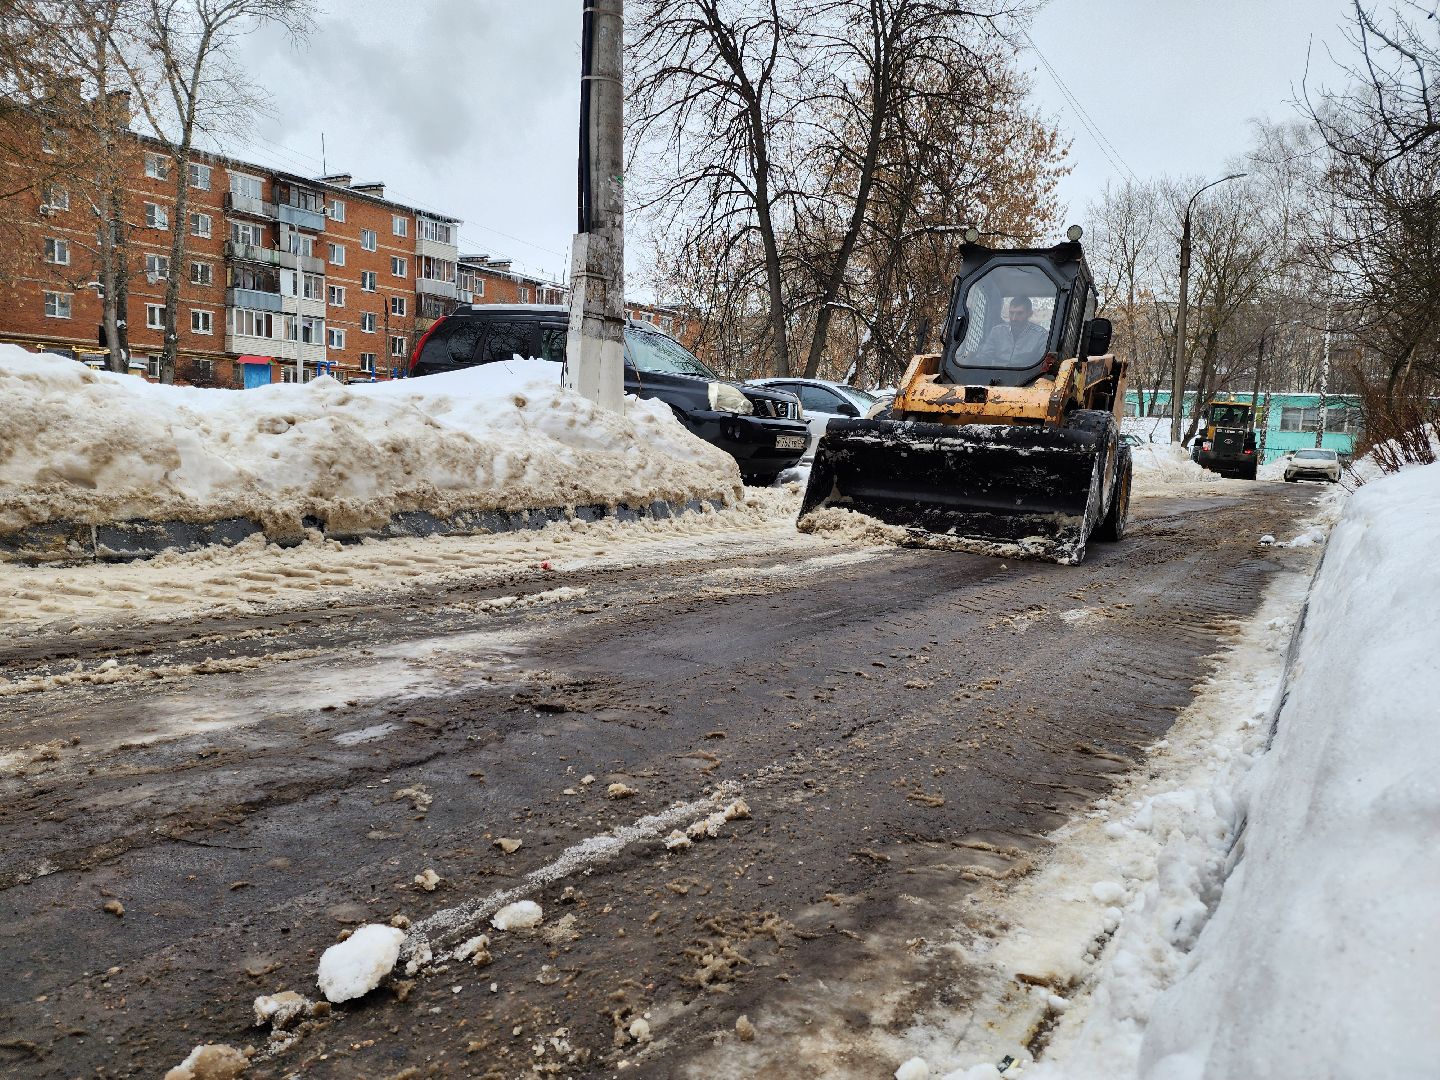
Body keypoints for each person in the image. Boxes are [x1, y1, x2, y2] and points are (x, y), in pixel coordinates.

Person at [971, 295, 1048, 367]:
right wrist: (973, 360)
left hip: (1027, 377)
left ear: (1030, 314)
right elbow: (985, 357)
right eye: (1011, 313)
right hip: (996, 376)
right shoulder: (997, 331)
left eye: (1019, 313)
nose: (1014, 318)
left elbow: (1044, 363)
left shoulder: (1041, 335)